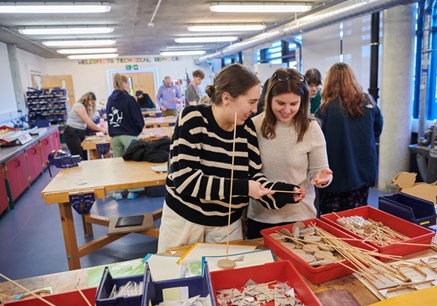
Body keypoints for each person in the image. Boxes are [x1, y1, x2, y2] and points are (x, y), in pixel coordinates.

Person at [157, 64, 305, 253]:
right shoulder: (193, 118)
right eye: (251, 102)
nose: (254, 109)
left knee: (227, 279)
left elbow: (253, 177)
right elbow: (185, 181)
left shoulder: (247, 130)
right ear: (227, 98)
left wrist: (281, 192)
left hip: (226, 224)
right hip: (185, 221)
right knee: (176, 277)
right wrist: (245, 188)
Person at [247, 68, 333, 239]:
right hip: (261, 216)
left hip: (300, 217)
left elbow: (320, 171)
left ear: (303, 102)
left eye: (294, 104)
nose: (287, 110)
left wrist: (323, 178)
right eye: (280, 103)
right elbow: (248, 172)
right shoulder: (253, 125)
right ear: (269, 98)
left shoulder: (311, 128)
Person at [315, 62, 383, 214]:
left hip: (335, 176)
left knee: (334, 222)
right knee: (358, 219)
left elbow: (315, 141)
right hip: (362, 173)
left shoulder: (325, 109)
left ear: (329, 82)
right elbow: (377, 130)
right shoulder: (368, 102)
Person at [106, 73, 145, 200]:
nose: (129, 86)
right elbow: (137, 118)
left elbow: (109, 117)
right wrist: (138, 130)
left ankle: (118, 191)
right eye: (128, 83)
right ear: (124, 83)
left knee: (118, 165)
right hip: (129, 134)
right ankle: (133, 190)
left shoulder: (110, 99)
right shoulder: (129, 99)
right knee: (133, 163)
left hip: (115, 136)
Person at [64, 91, 107, 160]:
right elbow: (89, 123)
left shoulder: (85, 108)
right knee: (78, 157)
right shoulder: (79, 106)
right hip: (72, 133)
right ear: (88, 99)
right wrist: (102, 130)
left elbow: (90, 122)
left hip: (79, 132)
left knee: (84, 157)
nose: (92, 105)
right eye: (92, 102)